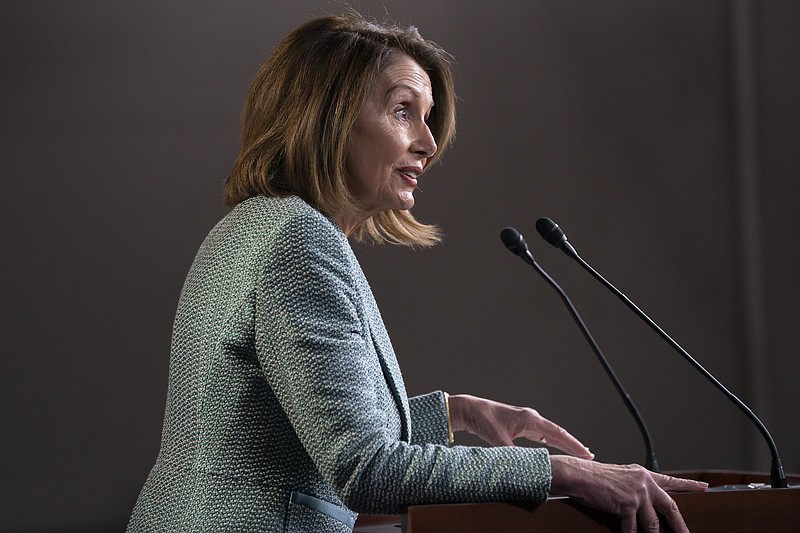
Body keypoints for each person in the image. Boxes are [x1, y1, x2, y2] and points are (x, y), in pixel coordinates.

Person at [127, 12, 706, 533]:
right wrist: (563, 474)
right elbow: (365, 468)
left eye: (427, 119)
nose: (428, 143)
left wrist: (456, 412)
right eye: (404, 110)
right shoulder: (298, 242)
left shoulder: (255, 226)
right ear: (327, 117)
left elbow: (290, 426)